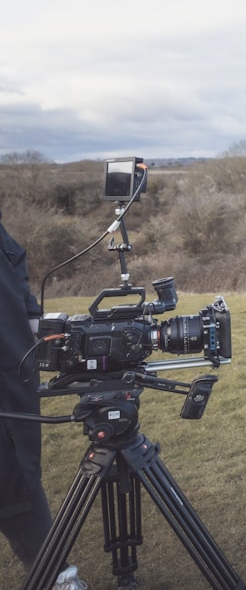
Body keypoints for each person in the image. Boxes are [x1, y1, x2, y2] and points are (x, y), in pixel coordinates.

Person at [0, 211, 87, 589]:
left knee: (18, 472)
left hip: (11, 368)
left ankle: (55, 577)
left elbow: (13, 265)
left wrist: (36, 320)